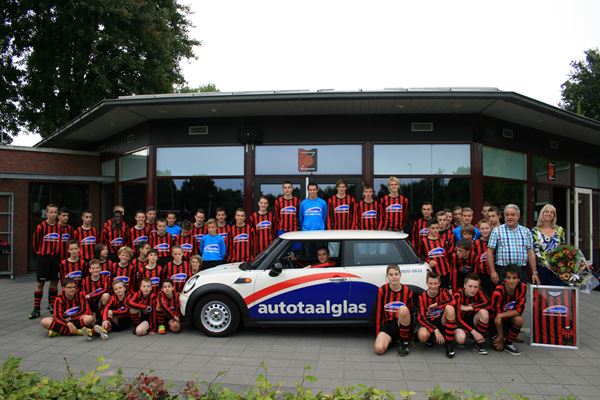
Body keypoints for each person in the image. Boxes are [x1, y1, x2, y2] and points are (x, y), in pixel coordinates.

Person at [487, 204, 540, 285]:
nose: (509, 217)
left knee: (521, 292)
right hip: (502, 270)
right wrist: (493, 272)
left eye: (512, 215)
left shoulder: (526, 231)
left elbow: (530, 253)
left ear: (518, 216)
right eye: (507, 215)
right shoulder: (496, 231)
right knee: (502, 292)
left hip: (521, 271)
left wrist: (534, 272)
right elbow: (490, 252)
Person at [30, 203, 61, 319]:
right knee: (40, 283)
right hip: (44, 259)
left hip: (55, 258)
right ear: (46, 213)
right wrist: (39, 253)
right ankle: (36, 308)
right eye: (51, 212)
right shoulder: (41, 227)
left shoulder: (59, 227)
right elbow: (35, 242)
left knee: (54, 282)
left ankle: (52, 305)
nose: (53, 214)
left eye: (55, 212)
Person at [374, 264, 413, 356]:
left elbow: (410, 314)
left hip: (401, 324)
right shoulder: (382, 290)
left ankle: (404, 342)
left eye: (396, 274)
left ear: (400, 275)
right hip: (388, 324)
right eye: (391, 275)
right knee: (379, 349)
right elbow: (378, 313)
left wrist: (410, 337)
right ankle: (393, 340)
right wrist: (378, 333)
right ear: (387, 276)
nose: (394, 277)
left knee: (403, 310)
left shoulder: (407, 291)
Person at [416, 271, 457, 358]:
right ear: (427, 283)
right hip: (429, 323)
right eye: (430, 283)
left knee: (450, 308)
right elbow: (421, 318)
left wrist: (437, 304)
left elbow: (453, 301)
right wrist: (435, 330)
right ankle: (430, 337)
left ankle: (449, 343)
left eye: (435, 283)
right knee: (422, 336)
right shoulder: (421, 297)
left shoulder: (444, 292)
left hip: (442, 321)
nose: (433, 286)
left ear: (439, 283)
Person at [490, 266, 527, 355]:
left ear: (518, 279)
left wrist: (501, 315)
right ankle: (500, 337)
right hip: (495, 323)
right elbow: (496, 317)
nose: (511, 281)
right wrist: (500, 337)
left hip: (508, 318)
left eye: (514, 278)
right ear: (504, 279)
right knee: (499, 348)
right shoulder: (498, 292)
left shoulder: (522, 287)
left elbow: (519, 310)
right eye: (508, 278)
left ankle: (509, 342)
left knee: (519, 320)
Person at [454, 273, 490, 355]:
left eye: (476, 287)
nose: (473, 289)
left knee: (484, 312)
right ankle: (471, 335)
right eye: (470, 286)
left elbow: (488, 303)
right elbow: (458, 319)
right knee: (460, 339)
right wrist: (474, 332)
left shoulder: (479, 291)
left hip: (472, 320)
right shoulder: (458, 295)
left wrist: (471, 307)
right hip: (461, 323)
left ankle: (478, 343)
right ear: (464, 285)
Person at [531, 204, 566, 285]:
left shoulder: (560, 230)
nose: (549, 214)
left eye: (552, 212)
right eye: (546, 212)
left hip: (558, 268)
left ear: (554, 215)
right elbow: (535, 251)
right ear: (542, 214)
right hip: (542, 269)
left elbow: (563, 248)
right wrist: (548, 264)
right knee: (543, 292)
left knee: (558, 291)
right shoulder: (535, 231)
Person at [421, 220, 452, 291]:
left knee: (444, 291)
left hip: (445, 272)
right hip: (433, 273)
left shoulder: (442, 241)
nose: (435, 230)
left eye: (437, 228)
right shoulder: (424, 241)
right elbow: (420, 256)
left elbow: (447, 256)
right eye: (433, 228)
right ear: (428, 229)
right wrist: (429, 261)